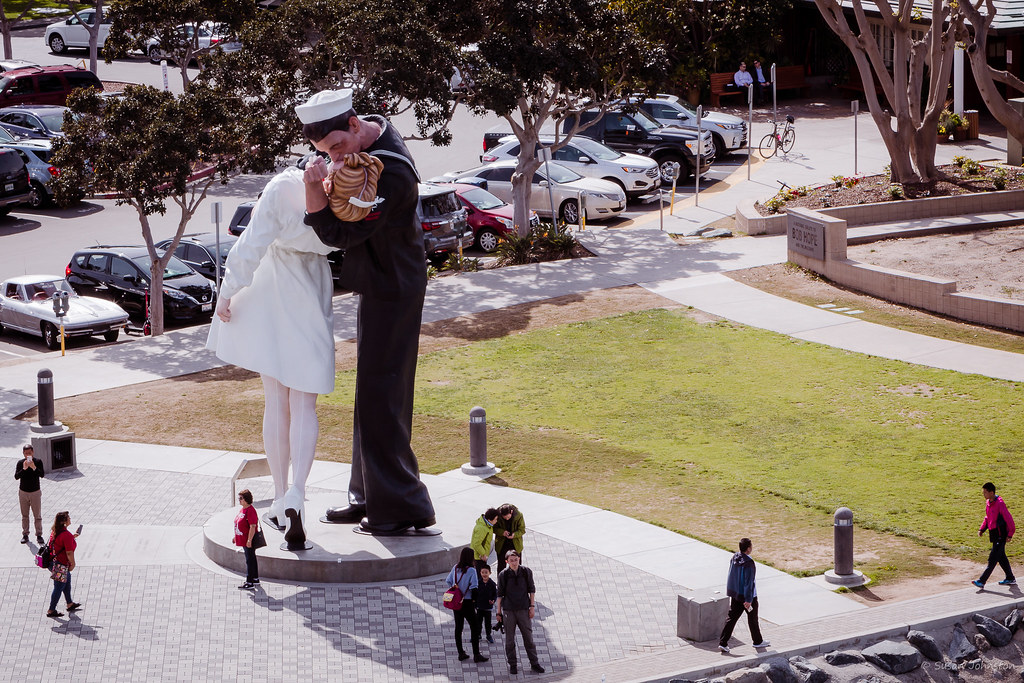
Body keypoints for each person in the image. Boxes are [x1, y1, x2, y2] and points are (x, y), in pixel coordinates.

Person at [299, 88, 436, 536]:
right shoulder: (372, 141)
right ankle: (367, 497)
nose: (336, 159)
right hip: (380, 284)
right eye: (325, 153)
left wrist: (311, 190)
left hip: (394, 287)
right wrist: (333, 173)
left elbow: (339, 234)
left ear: (355, 124)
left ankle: (403, 506)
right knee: (370, 398)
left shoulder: (391, 173)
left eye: (338, 147)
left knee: (384, 398)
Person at [206, 111, 338, 549]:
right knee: (304, 404)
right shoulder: (347, 193)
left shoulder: (283, 187)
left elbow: (250, 244)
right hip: (309, 293)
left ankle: (281, 495)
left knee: (274, 401)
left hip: (270, 291)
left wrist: (227, 293)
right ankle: (298, 490)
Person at [495, 550, 545, 675]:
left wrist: (532, 607)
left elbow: (532, 590)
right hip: (509, 611)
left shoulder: (526, 572)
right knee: (510, 640)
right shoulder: (503, 574)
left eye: (516, 559)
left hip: (523, 609)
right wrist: (498, 612)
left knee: (529, 638)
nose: (514, 562)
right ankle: (513, 664)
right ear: (506, 562)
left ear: (519, 559)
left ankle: (534, 663)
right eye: (511, 560)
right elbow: (499, 595)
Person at [719, 538, 769, 653]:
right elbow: (749, 582)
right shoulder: (749, 563)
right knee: (752, 619)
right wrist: (748, 599)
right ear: (748, 548)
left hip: (736, 595)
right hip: (748, 597)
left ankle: (723, 642)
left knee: (731, 618)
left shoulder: (735, 557)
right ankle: (757, 641)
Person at [444, 547, 487, 663]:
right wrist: (474, 602)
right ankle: (476, 654)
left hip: (456, 602)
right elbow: (474, 588)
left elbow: (448, 581)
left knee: (458, 627)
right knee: (475, 627)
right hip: (467, 602)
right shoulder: (472, 570)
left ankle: (461, 653)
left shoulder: (455, 567)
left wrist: (456, 587)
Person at [973, 482, 1016, 588]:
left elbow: (1009, 519)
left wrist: (1010, 534)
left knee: (992, 558)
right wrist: (982, 529)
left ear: (991, 492)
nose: (984, 495)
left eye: (985, 492)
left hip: (1001, 534)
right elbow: (988, 518)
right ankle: (1010, 578)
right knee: (1001, 557)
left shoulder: (1000, 503)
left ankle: (982, 581)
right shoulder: (988, 502)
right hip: (994, 534)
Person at [46, 510, 82, 618]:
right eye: (69, 518)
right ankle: (51, 610)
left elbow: (60, 543)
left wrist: (72, 537)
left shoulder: (56, 531)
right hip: (60, 564)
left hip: (54, 562)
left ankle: (70, 603)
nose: (70, 519)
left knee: (67, 581)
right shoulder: (66, 535)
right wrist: (73, 563)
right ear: (64, 522)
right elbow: (69, 552)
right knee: (59, 586)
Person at [15, 444, 44, 545]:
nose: (28, 455)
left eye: (29, 453)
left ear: (33, 452)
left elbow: (42, 474)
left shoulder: (38, 462)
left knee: (37, 515)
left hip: (35, 492)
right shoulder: (20, 463)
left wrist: (34, 467)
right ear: (23, 453)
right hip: (23, 492)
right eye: (26, 453)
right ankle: (25, 534)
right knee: (25, 515)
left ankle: (39, 534)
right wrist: (24, 469)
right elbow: (16, 477)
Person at [235, 489, 261, 590]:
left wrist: (249, 540)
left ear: (246, 499)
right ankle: (255, 579)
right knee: (251, 558)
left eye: (241, 498)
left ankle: (249, 582)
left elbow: (252, 526)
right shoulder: (243, 509)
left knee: (249, 560)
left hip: (248, 539)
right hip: (243, 538)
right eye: (239, 498)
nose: (239, 500)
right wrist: (235, 536)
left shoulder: (250, 510)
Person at [493, 503, 526, 573]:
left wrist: (514, 535)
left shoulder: (519, 515)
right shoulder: (497, 516)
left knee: (517, 565)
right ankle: (501, 582)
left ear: (511, 512)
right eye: (505, 518)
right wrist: (502, 532)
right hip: (502, 544)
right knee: (501, 566)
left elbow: (522, 530)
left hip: (515, 544)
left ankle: (517, 582)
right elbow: (493, 528)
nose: (507, 519)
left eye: (508, 517)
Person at [476, 564, 497, 644]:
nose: (484, 574)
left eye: (486, 572)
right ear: (480, 573)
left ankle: (488, 635)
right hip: (479, 606)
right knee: (478, 622)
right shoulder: (478, 583)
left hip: (488, 607)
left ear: (490, 573)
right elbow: (475, 594)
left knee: (488, 623)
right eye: (482, 572)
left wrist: (493, 600)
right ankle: (478, 635)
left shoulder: (492, 584)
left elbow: (495, 594)